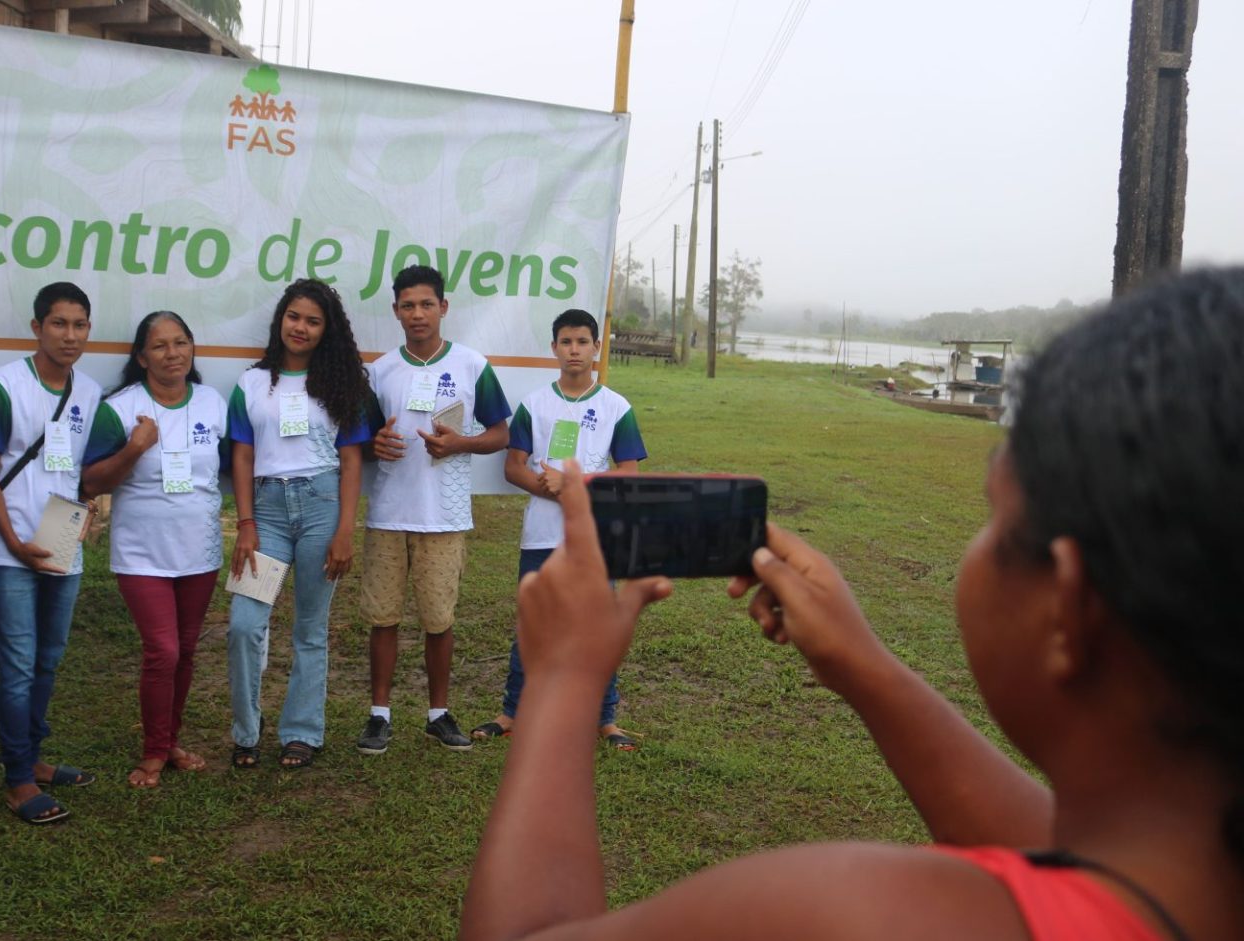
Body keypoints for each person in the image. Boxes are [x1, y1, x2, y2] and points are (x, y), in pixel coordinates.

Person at [461, 267, 1244, 939]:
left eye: (993, 515)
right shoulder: (1185, 872)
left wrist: (562, 680)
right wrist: (862, 664)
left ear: (1069, 607)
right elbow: (1055, 848)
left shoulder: (858, 913)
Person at [0, 282, 125, 824]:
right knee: (17, 666)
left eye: (80, 325)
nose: (70, 335)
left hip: (62, 544)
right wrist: (12, 541)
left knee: (48, 659)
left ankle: (33, 757)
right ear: (37, 327)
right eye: (59, 323)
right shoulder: (1, 387)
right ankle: (17, 779)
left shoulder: (89, 393)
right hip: (10, 548)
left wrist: (87, 508)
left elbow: (89, 470)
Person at [470, 309, 646, 749]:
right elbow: (514, 467)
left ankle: (605, 719)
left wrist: (575, 488)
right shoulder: (534, 404)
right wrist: (557, 492)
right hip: (542, 536)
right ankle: (512, 711)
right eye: (566, 342)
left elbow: (628, 474)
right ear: (553, 348)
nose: (574, 350)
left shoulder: (616, 407)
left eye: (583, 342)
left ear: (596, 348)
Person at [357, 265, 512, 755]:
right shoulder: (379, 371)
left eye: (427, 304)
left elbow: (501, 433)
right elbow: (360, 442)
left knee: (439, 619)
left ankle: (438, 713)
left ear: (443, 307)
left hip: (443, 516)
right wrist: (373, 445)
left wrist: (461, 443)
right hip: (387, 513)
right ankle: (379, 715)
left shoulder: (471, 365)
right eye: (408, 305)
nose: (417, 314)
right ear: (395, 311)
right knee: (383, 618)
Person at [226, 278, 372, 769]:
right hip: (265, 511)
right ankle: (246, 733)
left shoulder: (341, 384)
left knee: (310, 628)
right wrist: (245, 522)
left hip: (320, 506)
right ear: (280, 320)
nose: (301, 328)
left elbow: (351, 462)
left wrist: (345, 531)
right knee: (244, 625)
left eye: (313, 321)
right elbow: (242, 457)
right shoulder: (251, 383)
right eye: (294, 317)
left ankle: (302, 732)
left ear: (326, 329)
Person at [82, 311, 227, 788]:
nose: (173, 353)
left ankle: (170, 742)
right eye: (160, 346)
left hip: (200, 550)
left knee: (185, 651)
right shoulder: (121, 409)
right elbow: (91, 481)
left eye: (181, 342)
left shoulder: (211, 402)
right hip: (142, 552)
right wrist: (134, 448)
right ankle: (152, 752)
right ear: (142, 358)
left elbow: (231, 465)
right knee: (162, 652)